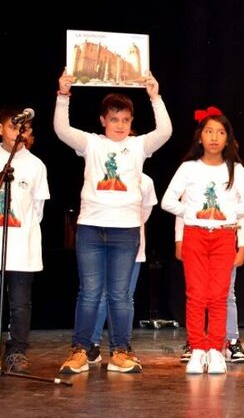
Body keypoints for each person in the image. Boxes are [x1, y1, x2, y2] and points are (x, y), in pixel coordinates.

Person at [55, 69, 171, 374]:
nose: (120, 125)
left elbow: (165, 132)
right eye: (114, 119)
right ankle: (81, 350)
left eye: (125, 120)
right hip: (91, 228)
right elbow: (61, 129)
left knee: (120, 295)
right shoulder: (90, 144)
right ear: (103, 120)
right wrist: (63, 95)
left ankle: (120, 351)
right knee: (90, 292)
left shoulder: (137, 146)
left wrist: (155, 97)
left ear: (132, 122)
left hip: (126, 231)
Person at [162, 107, 244, 375]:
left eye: (221, 132)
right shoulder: (188, 168)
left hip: (224, 236)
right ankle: (197, 348)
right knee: (196, 295)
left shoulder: (235, 169)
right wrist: (190, 212)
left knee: (218, 296)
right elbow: (168, 201)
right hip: (195, 234)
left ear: (228, 139)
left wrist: (227, 213)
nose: (214, 137)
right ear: (199, 137)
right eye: (209, 131)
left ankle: (216, 349)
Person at [0, 107, 49, 374]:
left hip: (21, 246)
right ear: (1, 129)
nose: (18, 132)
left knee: (20, 303)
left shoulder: (35, 165)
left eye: (23, 128)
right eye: (12, 126)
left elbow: (38, 210)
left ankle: (17, 350)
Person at [89, 173, 156, 365]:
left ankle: (121, 346)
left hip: (131, 246)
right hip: (102, 243)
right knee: (100, 295)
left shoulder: (145, 181)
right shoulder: (100, 173)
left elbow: (144, 213)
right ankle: (92, 344)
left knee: (124, 297)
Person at [175, 214, 244, 364]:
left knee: (224, 294)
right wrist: (179, 240)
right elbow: (183, 210)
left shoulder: (233, 189)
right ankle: (196, 343)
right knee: (196, 293)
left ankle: (230, 340)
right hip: (196, 239)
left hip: (224, 241)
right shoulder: (192, 189)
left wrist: (242, 245)